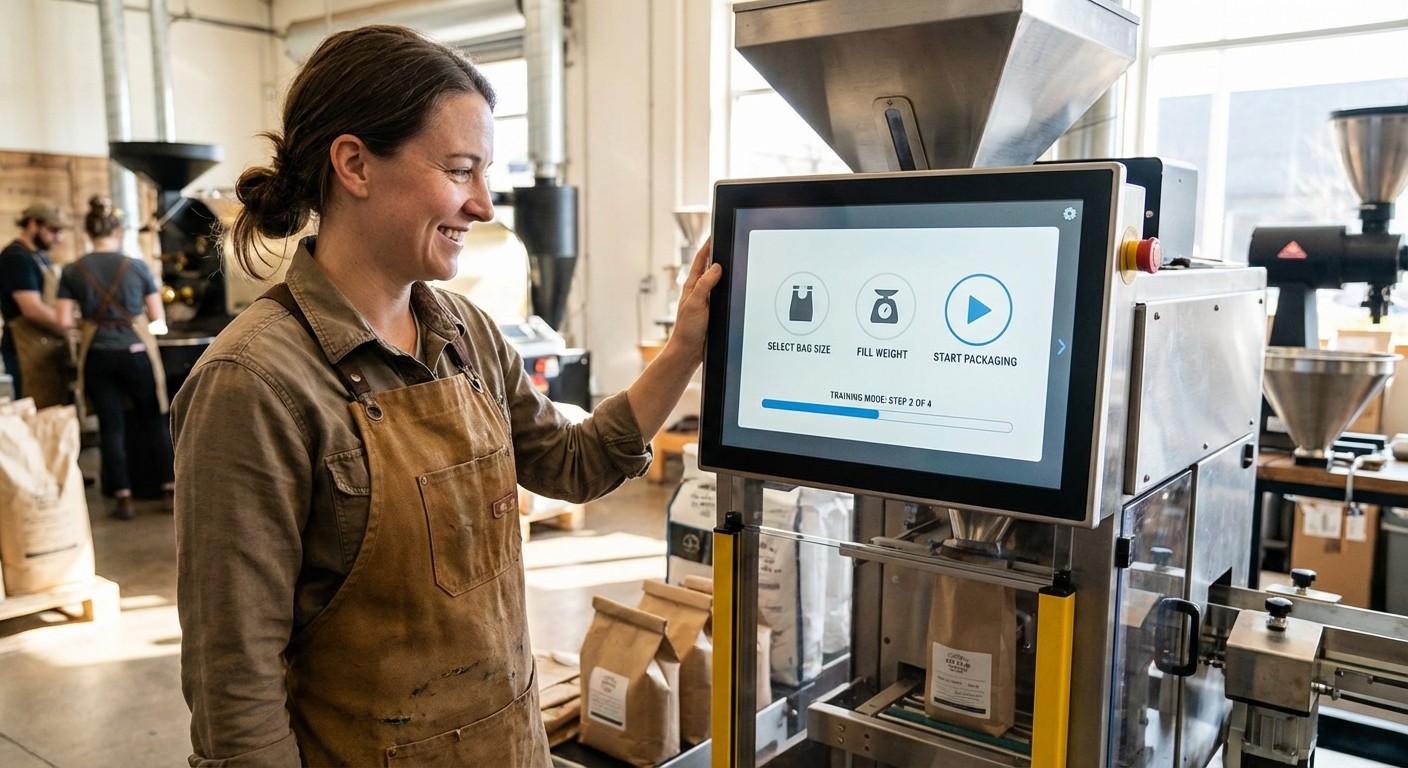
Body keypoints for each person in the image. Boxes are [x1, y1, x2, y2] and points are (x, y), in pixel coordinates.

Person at [172, 24, 721, 767]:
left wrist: (687, 346)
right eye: (461, 170)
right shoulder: (255, 383)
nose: (485, 206)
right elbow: (235, 688)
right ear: (355, 164)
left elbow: (573, 464)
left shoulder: (464, 331)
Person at [56, 197, 172, 520]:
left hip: (97, 357)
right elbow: (157, 316)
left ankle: (123, 497)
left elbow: (64, 320)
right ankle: (169, 487)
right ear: (118, 231)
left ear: (88, 232)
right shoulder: (137, 266)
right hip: (136, 352)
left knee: (111, 427)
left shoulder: (72, 270)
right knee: (154, 418)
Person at [0, 201, 72, 406]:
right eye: (52, 230)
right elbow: (31, 308)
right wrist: (65, 325)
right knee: (35, 405)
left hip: (42, 344)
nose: (58, 238)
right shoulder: (16, 258)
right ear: (32, 224)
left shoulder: (39, 257)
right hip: (24, 346)